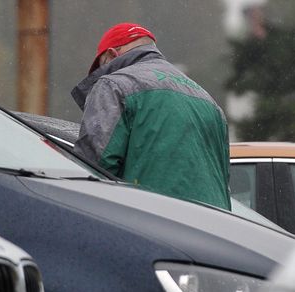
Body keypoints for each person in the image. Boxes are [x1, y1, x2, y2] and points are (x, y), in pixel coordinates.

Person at [71, 23, 232, 210]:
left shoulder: (113, 84)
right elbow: (223, 178)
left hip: (153, 218)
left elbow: (94, 168)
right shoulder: (209, 101)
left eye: (101, 67)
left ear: (112, 55)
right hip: (215, 222)